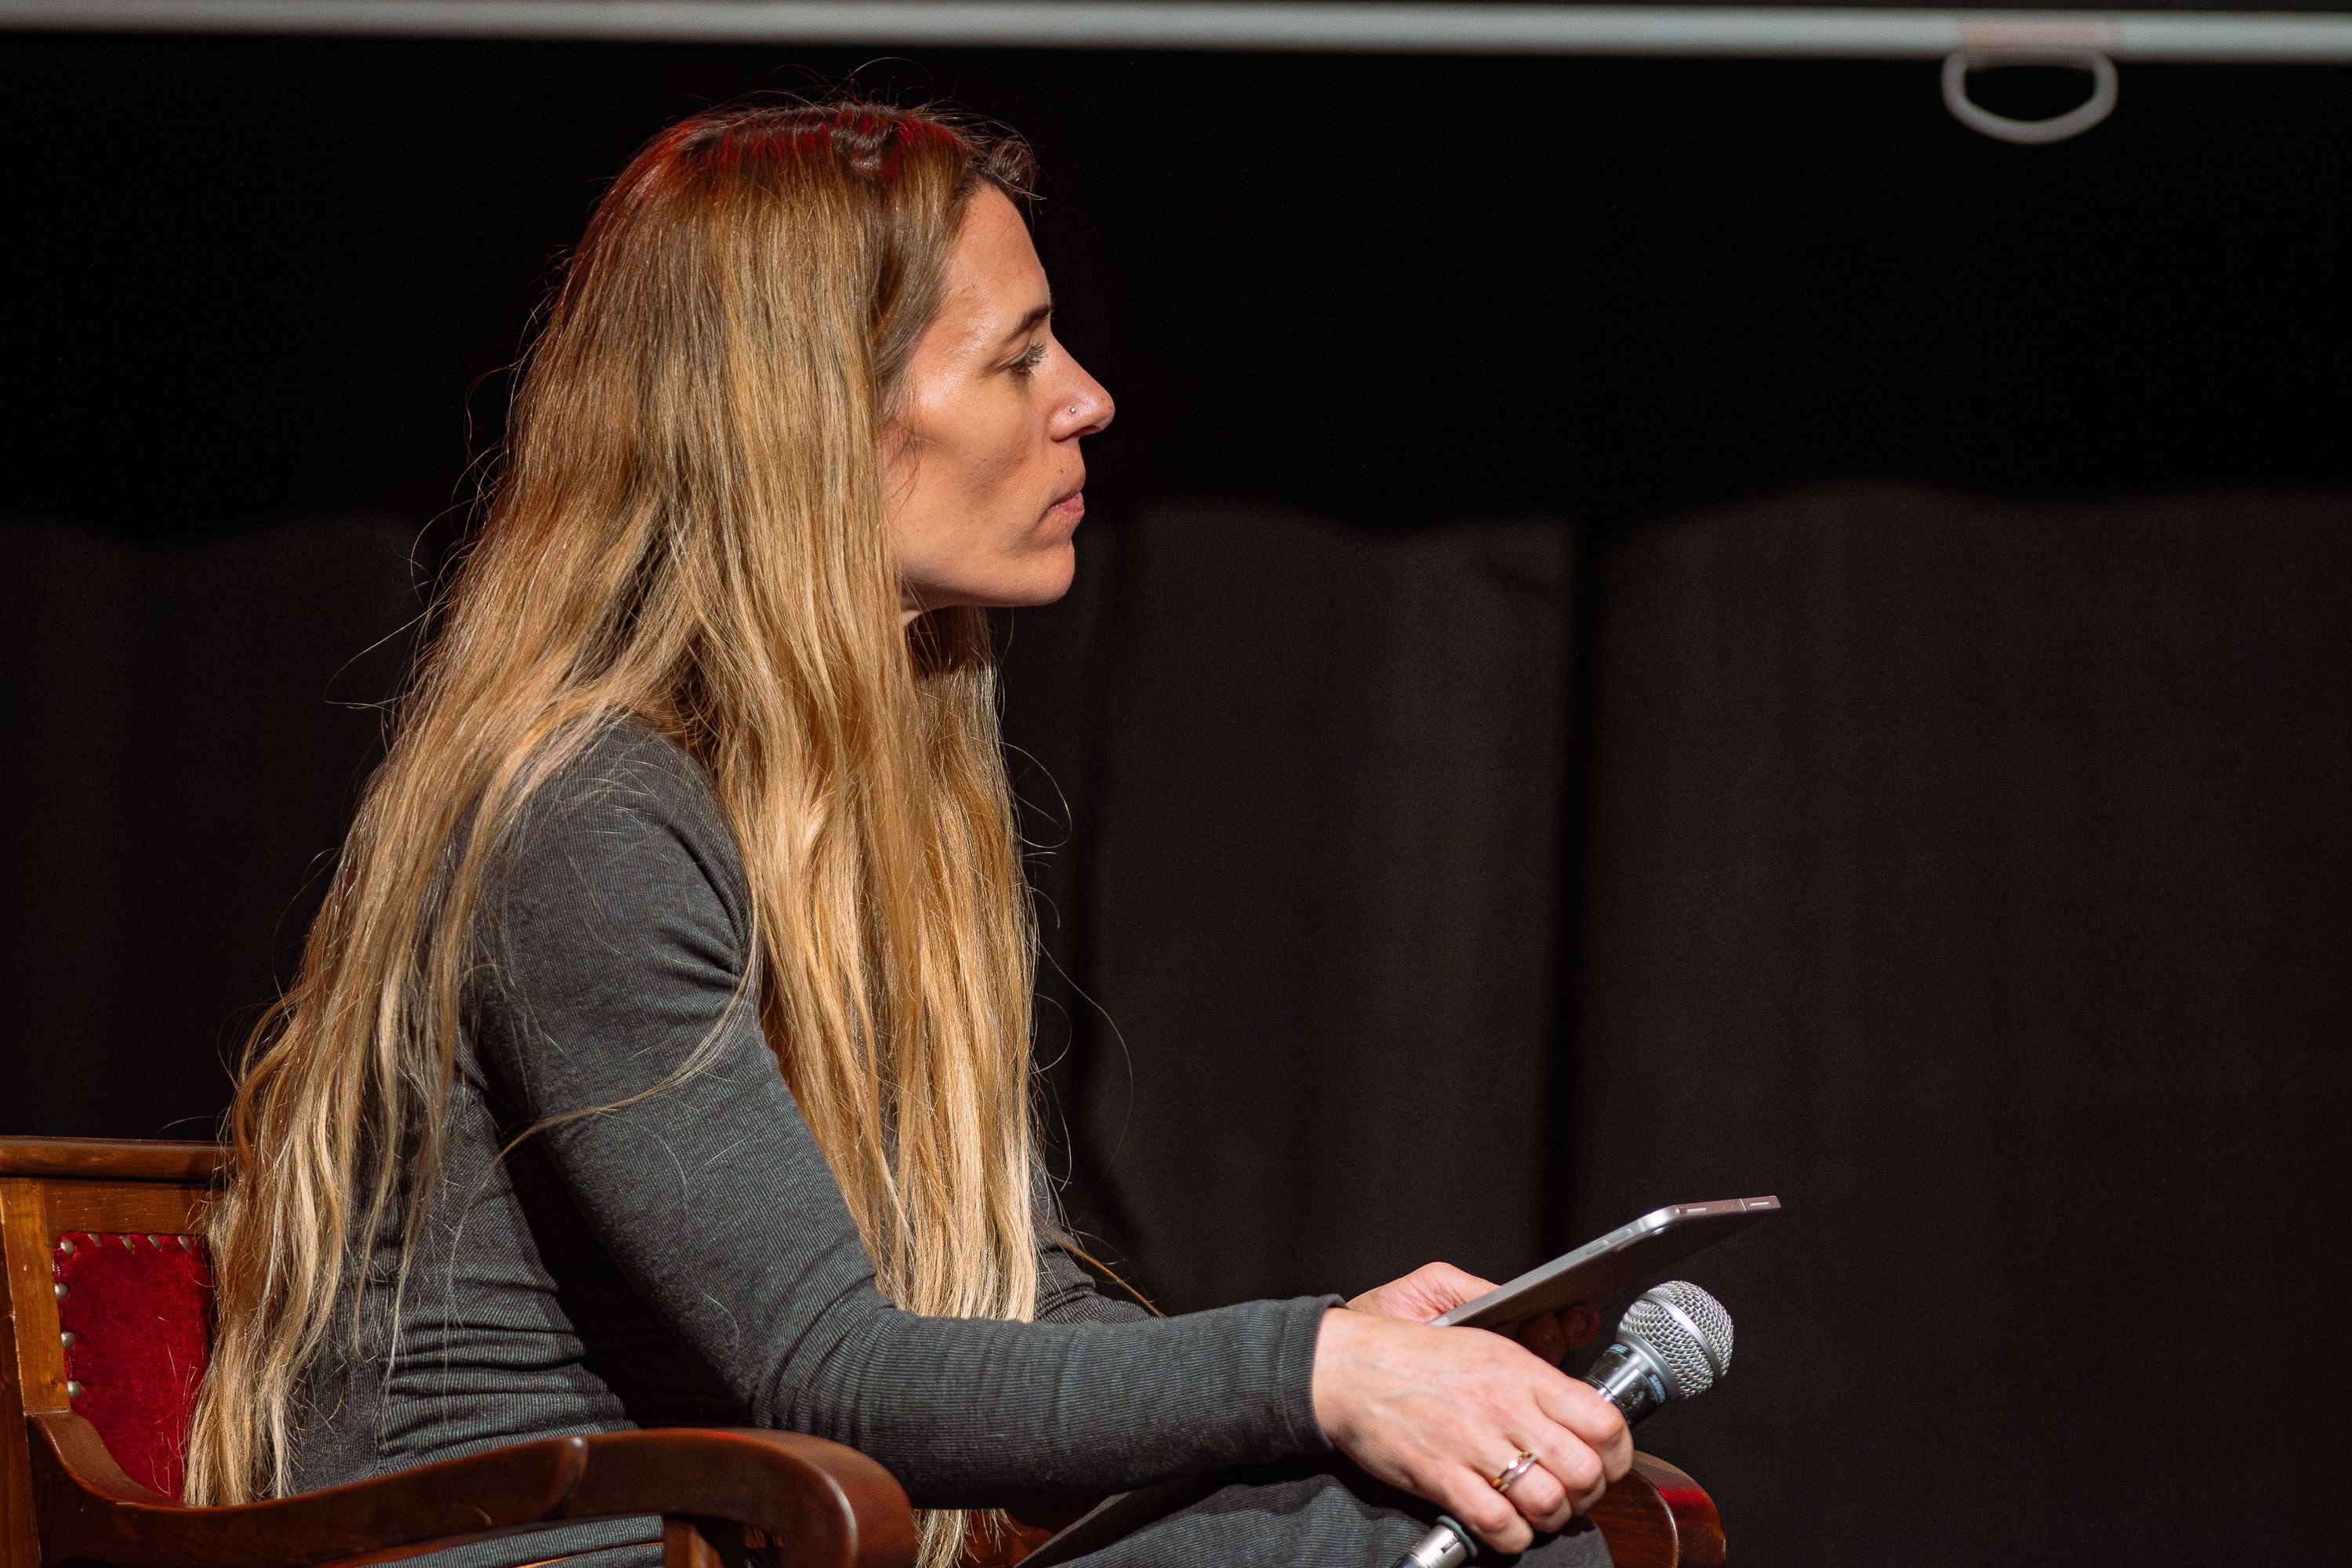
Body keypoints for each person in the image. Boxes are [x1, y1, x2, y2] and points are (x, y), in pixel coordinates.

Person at [187, 98, 1629, 1568]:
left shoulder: (867, 798)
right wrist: (1314, 1372)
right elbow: (829, 1371)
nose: (1088, 400)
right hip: (549, 1535)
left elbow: (999, 1304)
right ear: (816, 420)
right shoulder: (592, 818)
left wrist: (1353, 1353)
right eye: (1018, 358)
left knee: (1479, 1522)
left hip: (761, 1525)